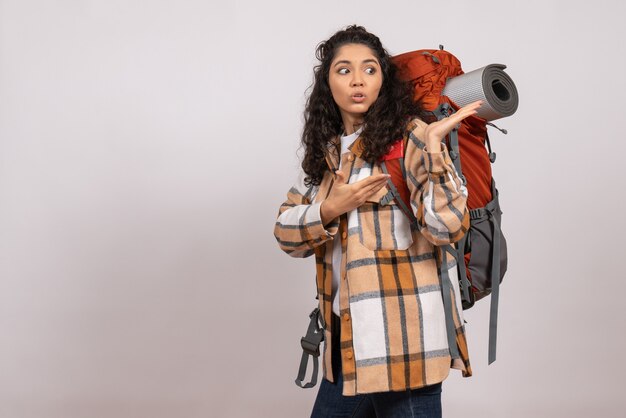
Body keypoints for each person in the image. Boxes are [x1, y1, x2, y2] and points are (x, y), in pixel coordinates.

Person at [274, 25, 482, 417]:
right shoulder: (330, 152)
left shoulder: (414, 138)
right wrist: (329, 209)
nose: (357, 80)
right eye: (344, 70)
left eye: (370, 69)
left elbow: (448, 227)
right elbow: (286, 234)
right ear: (327, 83)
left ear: (383, 81)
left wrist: (435, 155)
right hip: (347, 345)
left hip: (407, 349)